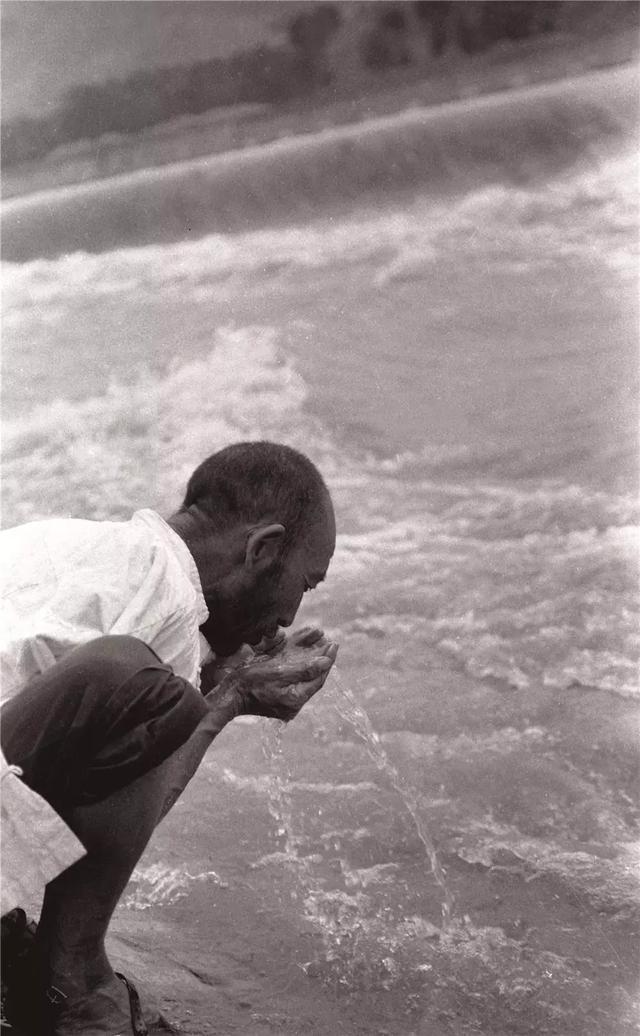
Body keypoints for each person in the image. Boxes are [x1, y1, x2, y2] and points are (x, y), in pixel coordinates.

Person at [0, 441, 338, 1036]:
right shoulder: (171, 605)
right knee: (150, 692)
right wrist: (228, 700)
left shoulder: (67, 541)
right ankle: (73, 979)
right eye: (305, 585)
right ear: (262, 549)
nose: (289, 616)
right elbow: (126, 820)